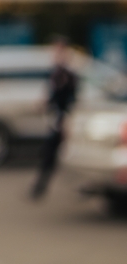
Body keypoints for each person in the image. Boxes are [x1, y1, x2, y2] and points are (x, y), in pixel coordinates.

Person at [29, 38, 78, 201]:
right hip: (56, 120)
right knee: (52, 154)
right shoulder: (55, 73)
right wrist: (44, 104)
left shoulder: (68, 75)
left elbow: (71, 100)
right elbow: (53, 97)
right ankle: (39, 188)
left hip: (63, 120)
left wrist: (67, 120)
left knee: (55, 154)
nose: (55, 54)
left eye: (58, 51)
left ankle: (39, 188)